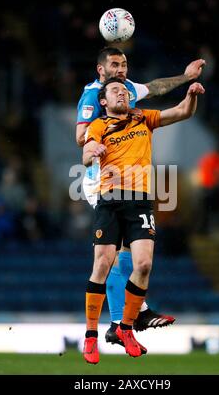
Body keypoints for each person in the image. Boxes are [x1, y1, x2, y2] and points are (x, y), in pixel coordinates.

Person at [76, 47, 205, 346]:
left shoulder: (128, 90)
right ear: (101, 70)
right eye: (114, 65)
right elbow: (80, 136)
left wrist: (186, 77)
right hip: (102, 182)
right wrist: (99, 138)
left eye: (123, 64)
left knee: (125, 255)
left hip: (131, 186)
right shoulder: (92, 95)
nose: (121, 69)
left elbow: (157, 87)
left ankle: (127, 318)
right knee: (110, 254)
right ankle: (123, 320)